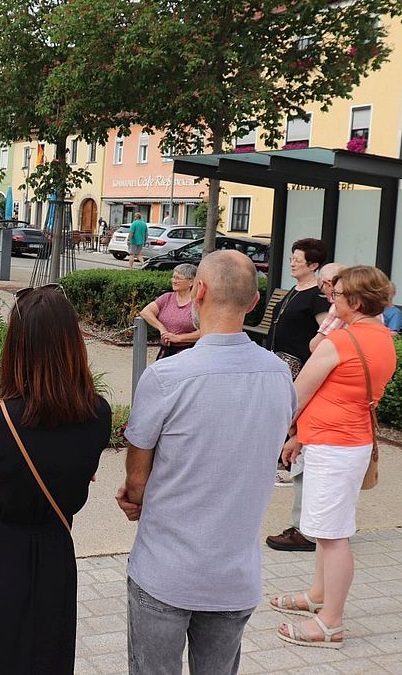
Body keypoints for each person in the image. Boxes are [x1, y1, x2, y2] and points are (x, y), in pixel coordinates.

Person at [118, 251, 295, 675]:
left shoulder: (165, 378)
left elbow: (136, 477)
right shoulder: (279, 375)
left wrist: (135, 496)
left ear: (198, 291)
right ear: (254, 303)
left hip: (165, 567)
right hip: (235, 575)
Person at [0, 285, 111, 674]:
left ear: (17, 345)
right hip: (56, 548)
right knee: (46, 654)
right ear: (73, 341)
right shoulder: (98, 412)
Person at [273, 266, 397, 648]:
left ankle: (331, 622)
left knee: (332, 535)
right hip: (345, 440)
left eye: (337, 296)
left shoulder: (340, 341)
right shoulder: (381, 336)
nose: (330, 299)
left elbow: (299, 393)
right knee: (328, 530)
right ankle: (318, 595)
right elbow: (341, 394)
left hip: (334, 445)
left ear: (356, 302)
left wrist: (285, 432)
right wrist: (301, 437)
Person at [266, 237, 330, 503]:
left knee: (287, 411)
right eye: (292, 257)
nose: (292, 262)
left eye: (298, 259)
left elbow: (325, 332)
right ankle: (276, 459)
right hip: (277, 359)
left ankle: (285, 464)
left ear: (313, 265)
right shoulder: (295, 290)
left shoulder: (317, 296)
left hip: (297, 363)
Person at [138, 264, 200, 359]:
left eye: (178, 278)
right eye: (173, 277)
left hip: (189, 353)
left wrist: (178, 338)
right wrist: (162, 329)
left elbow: (206, 331)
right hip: (166, 350)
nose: (174, 281)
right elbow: (145, 312)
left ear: (191, 282)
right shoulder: (167, 297)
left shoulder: (198, 303)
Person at [308, 263, 347, 354]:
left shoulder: (339, 305)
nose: (329, 300)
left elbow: (314, 346)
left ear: (327, 283)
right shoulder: (368, 303)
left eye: (323, 291)